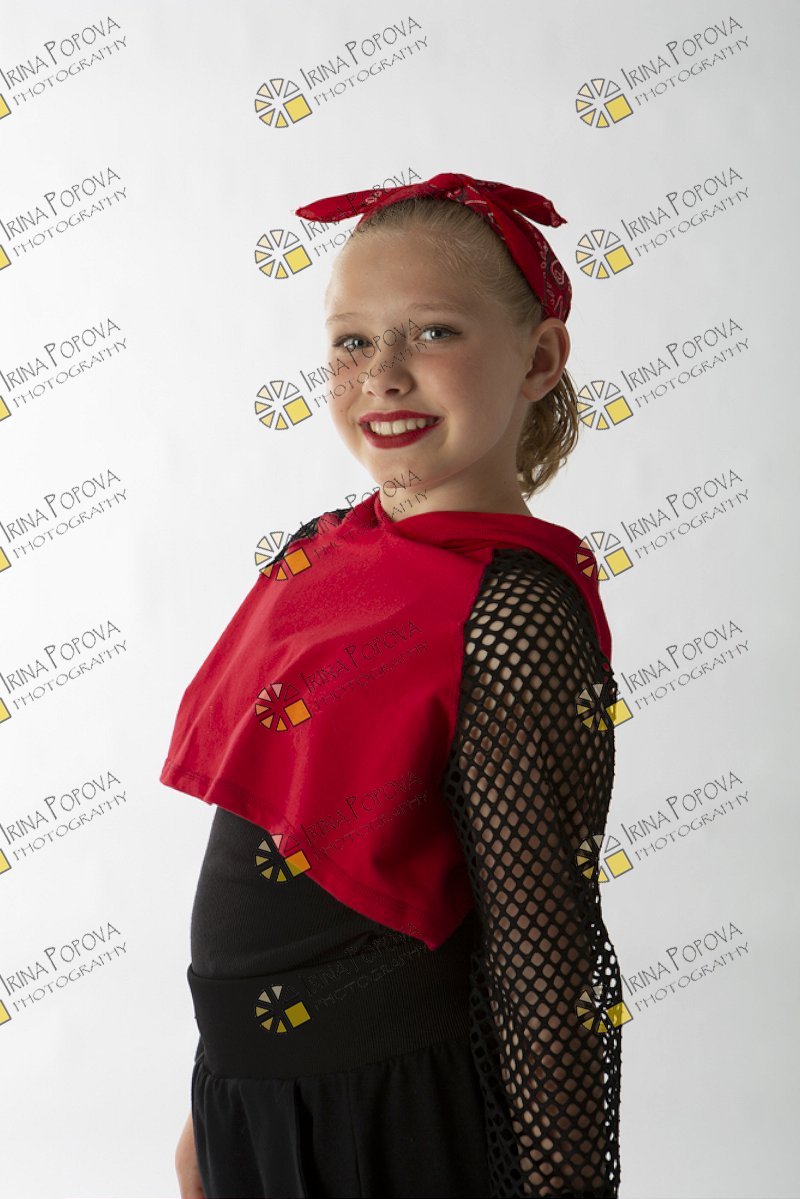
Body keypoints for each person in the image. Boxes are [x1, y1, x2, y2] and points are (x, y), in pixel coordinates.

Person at [164, 172, 624, 1198]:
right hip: (253, 1096)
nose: (383, 375)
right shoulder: (322, 552)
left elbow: (543, 959)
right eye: (352, 342)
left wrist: (563, 1184)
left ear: (538, 359)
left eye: (433, 332)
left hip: (380, 1119)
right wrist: (217, 1093)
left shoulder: (509, 613)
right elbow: (267, 849)